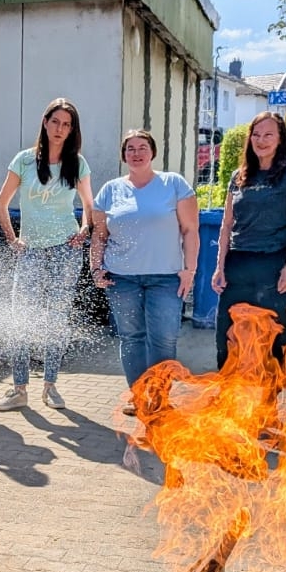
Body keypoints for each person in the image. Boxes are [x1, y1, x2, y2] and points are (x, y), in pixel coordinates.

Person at [0, 98, 94, 411]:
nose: (60, 129)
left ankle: (50, 386)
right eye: (55, 122)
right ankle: (19, 389)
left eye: (67, 124)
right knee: (20, 319)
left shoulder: (77, 163)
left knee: (56, 319)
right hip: (31, 251)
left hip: (66, 250)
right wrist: (12, 239)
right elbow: (1, 203)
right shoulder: (24, 160)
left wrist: (84, 229)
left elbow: (89, 205)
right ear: (45, 122)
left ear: (72, 129)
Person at [90, 130, 198, 403]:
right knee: (132, 338)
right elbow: (99, 235)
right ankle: (138, 397)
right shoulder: (110, 190)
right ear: (123, 155)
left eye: (142, 148)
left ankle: (159, 398)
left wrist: (190, 270)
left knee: (164, 339)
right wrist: (96, 269)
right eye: (130, 149)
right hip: (121, 279)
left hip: (166, 278)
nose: (136, 153)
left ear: (152, 152)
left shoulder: (174, 184)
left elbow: (190, 230)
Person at [212, 112, 286, 370]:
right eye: (256, 135)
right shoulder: (239, 176)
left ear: (280, 140)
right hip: (238, 266)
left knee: (271, 342)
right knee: (228, 341)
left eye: (268, 135)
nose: (261, 140)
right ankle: (229, 392)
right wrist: (219, 267)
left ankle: (269, 396)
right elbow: (227, 224)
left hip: (275, 267)